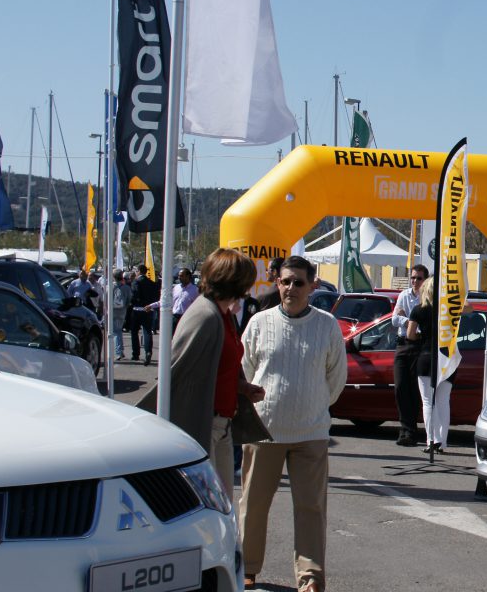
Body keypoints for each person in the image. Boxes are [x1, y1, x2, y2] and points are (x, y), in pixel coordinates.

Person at [239, 256, 347, 592]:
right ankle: (247, 568)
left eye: (298, 282)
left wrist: (311, 404)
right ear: (277, 282)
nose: (290, 288)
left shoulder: (327, 326)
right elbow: (245, 370)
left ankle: (310, 578)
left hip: (311, 433)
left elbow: (336, 379)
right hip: (264, 431)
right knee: (253, 506)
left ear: (312, 286)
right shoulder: (259, 323)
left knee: (311, 508)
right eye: (285, 281)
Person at [169, 248, 266, 493]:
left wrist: (242, 387)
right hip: (203, 426)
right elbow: (177, 375)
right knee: (209, 507)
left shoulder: (223, 315)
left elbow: (219, 367)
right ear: (237, 281)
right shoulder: (205, 316)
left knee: (222, 506)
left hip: (222, 425)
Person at [407, 279, 448, 454]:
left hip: (425, 356)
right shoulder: (448, 311)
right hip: (446, 358)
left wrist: (421, 337)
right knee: (443, 401)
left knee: (427, 402)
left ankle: (431, 440)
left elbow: (410, 334)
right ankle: (442, 442)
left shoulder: (418, 310)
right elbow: (468, 307)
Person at [391, 263, 429, 446]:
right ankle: (404, 428)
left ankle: (410, 431)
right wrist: (409, 320)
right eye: (412, 277)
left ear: (425, 280)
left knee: (415, 389)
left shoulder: (427, 299)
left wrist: (407, 320)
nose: (414, 281)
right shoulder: (404, 295)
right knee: (400, 387)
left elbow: (424, 325)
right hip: (403, 345)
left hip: (419, 345)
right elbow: (394, 319)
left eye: (418, 278)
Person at [131, 265, 161, 365]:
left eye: (136, 271)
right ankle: (148, 351)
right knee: (147, 332)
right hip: (149, 309)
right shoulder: (151, 282)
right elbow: (156, 295)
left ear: (139, 271)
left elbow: (135, 294)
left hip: (137, 309)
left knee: (134, 332)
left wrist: (133, 302)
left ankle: (136, 353)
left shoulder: (136, 282)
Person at [110, 270, 133, 361]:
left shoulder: (109, 286)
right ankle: (121, 350)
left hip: (112, 311)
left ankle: (118, 352)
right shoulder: (126, 288)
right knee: (118, 330)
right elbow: (129, 299)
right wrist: (125, 307)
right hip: (122, 311)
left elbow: (105, 299)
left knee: (116, 332)